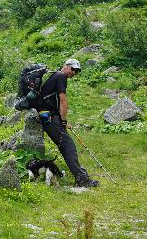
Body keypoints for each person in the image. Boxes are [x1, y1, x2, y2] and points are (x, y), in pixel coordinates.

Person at [28, 59, 99, 187]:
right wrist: (64, 121)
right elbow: (63, 100)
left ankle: (81, 176)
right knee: (69, 147)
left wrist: (63, 121)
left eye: (76, 71)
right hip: (50, 118)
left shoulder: (54, 76)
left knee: (65, 147)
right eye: (73, 69)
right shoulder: (61, 76)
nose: (74, 73)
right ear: (66, 66)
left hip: (48, 117)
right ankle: (82, 180)